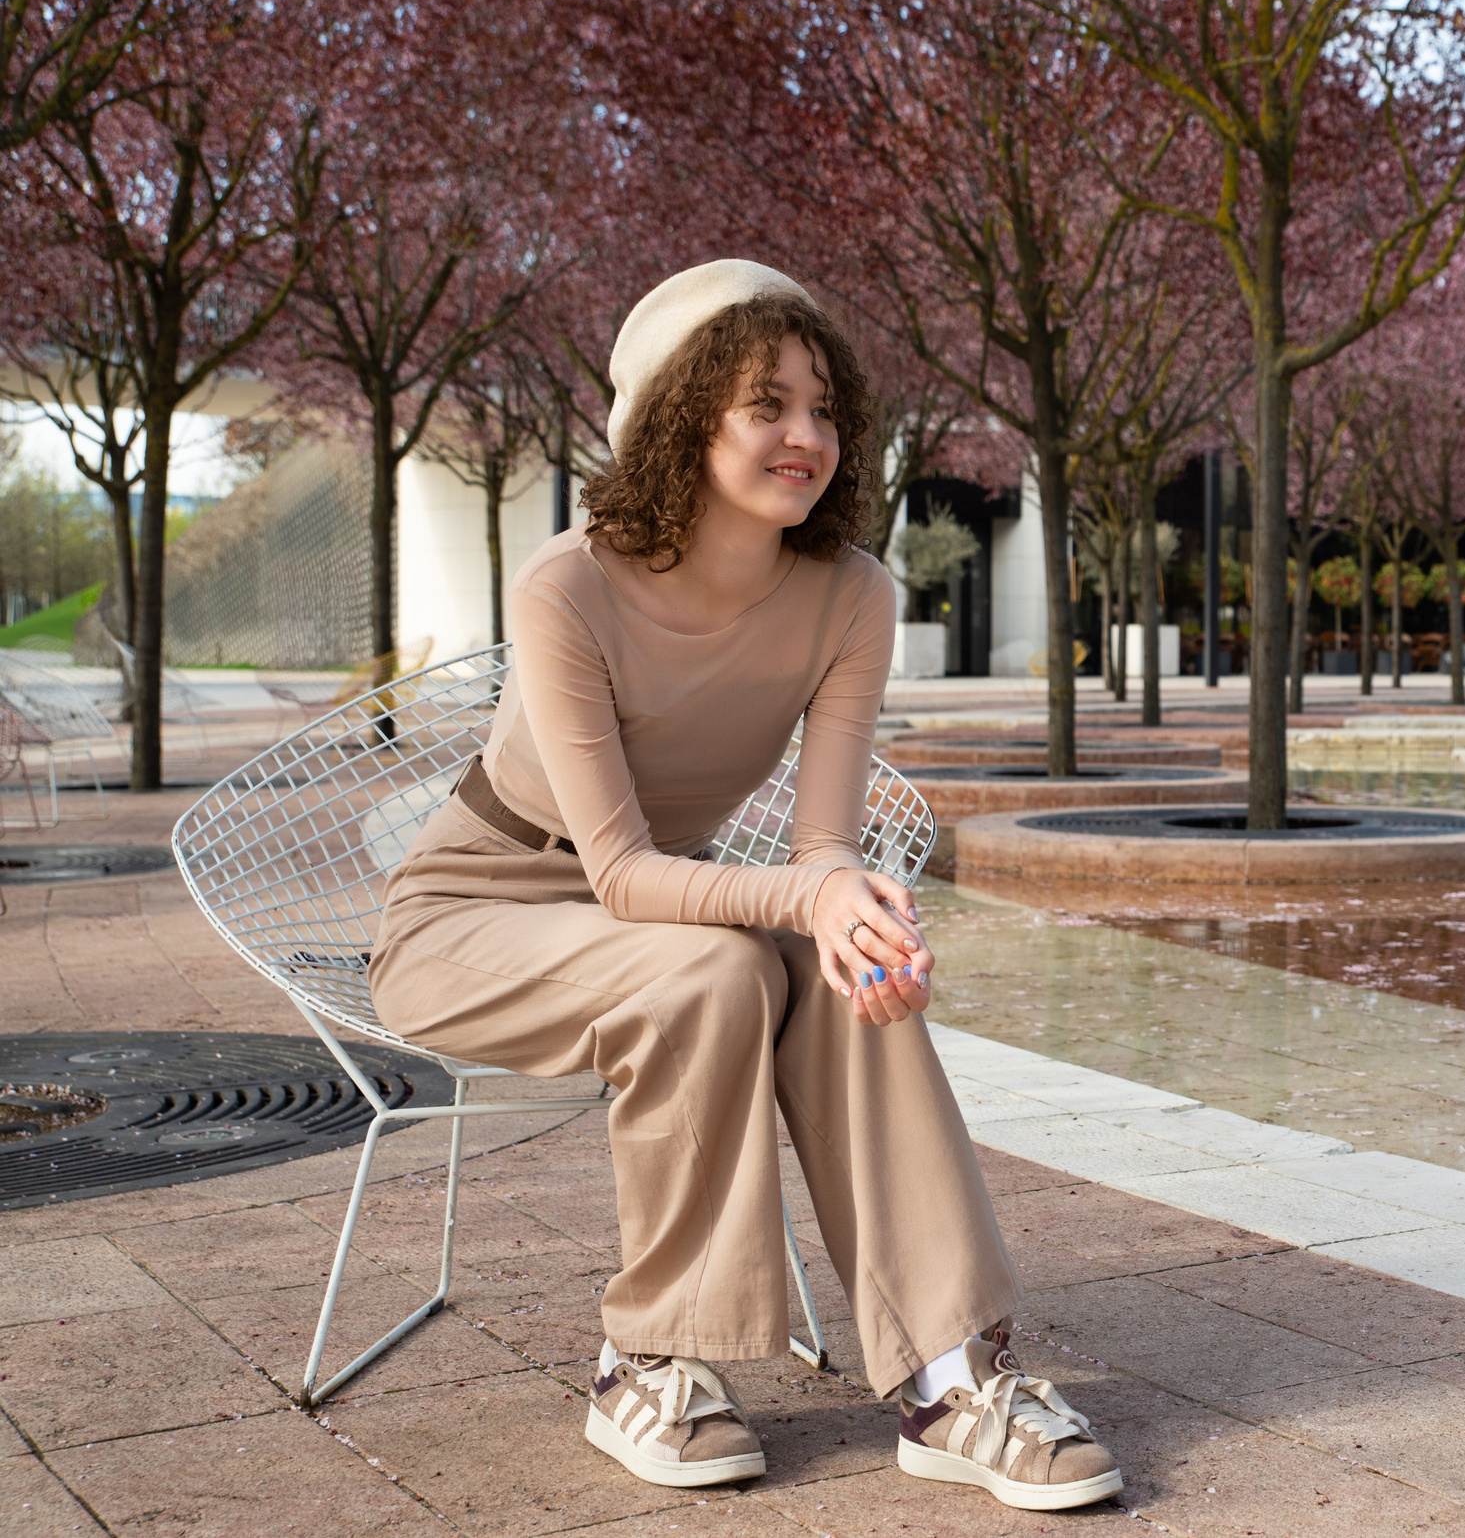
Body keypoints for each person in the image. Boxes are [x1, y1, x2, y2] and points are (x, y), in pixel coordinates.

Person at [369, 260, 1119, 1513]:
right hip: (476, 910)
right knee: (722, 965)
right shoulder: (570, 584)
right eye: (766, 403)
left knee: (841, 970)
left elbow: (820, 845)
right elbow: (611, 868)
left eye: (823, 406)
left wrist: (860, 913)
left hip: (664, 911)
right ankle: (648, 1360)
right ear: (679, 413)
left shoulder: (850, 595)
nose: (807, 436)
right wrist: (805, 898)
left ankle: (952, 1376)